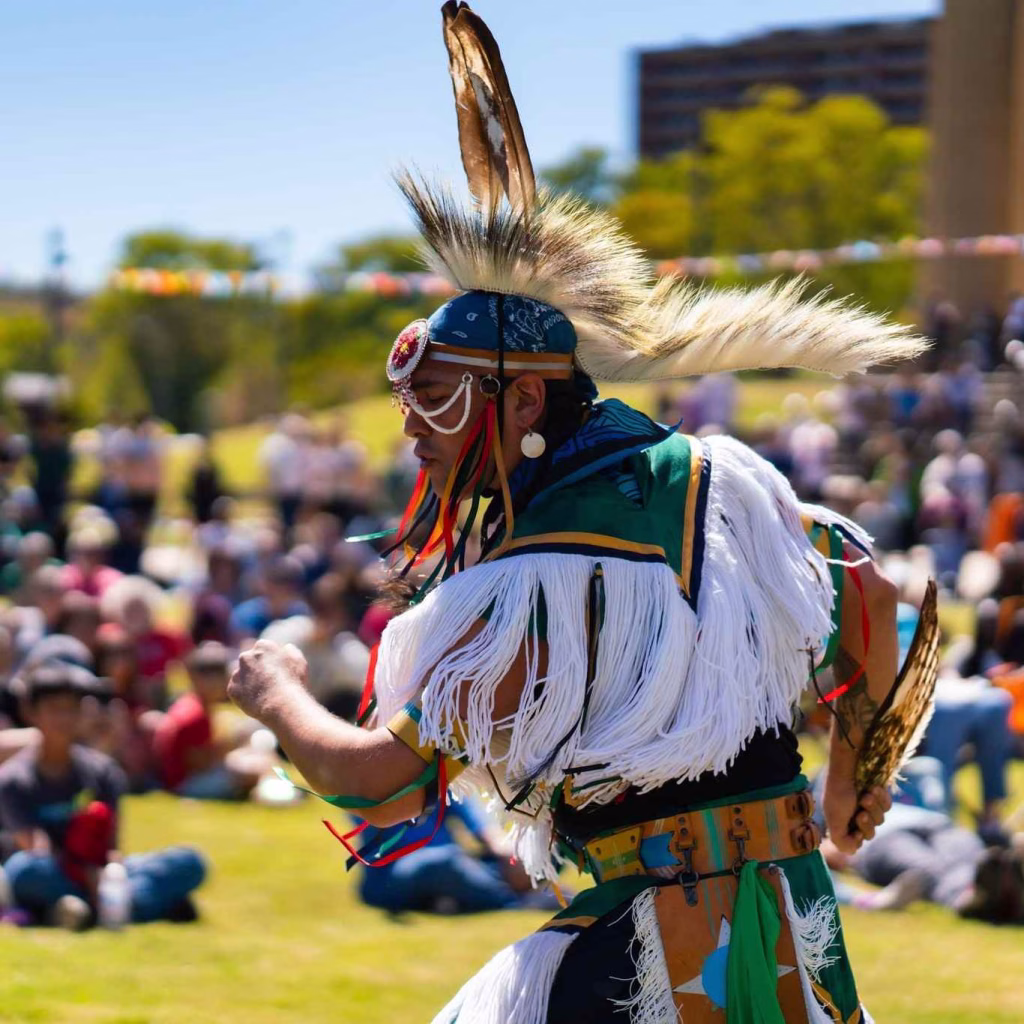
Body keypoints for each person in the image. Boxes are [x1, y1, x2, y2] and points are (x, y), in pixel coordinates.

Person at [226, 6, 926, 1022]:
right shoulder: (723, 485)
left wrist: (276, 693)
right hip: (788, 929)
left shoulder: (523, 588)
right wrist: (851, 781)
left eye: (435, 400)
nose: (412, 431)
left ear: (518, 402)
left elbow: (378, 785)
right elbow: (864, 581)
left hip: (652, 956)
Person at [0, 662, 205, 929]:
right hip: (53, 870)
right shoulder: (13, 780)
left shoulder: (103, 772)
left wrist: (106, 875)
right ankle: (136, 906)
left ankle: (84, 911)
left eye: (70, 709)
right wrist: (90, 878)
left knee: (189, 862)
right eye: (54, 709)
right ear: (31, 713)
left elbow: (111, 849)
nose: (63, 719)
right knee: (24, 871)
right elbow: (36, 849)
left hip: (98, 871)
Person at [154, 642, 272, 800]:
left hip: (185, 780)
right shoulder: (193, 713)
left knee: (253, 758)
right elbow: (199, 764)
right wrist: (231, 749)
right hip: (186, 785)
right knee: (252, 768)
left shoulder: (194, 704)